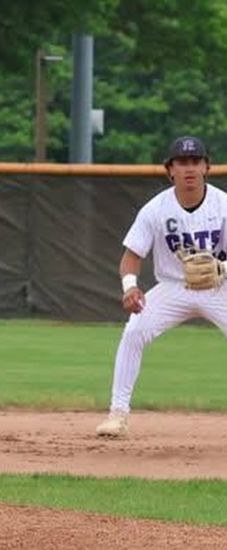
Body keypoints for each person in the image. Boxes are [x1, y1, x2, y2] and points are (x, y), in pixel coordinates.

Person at [96, 135, 227, 437]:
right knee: (134, 331)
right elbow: (131, 258)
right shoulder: (155, 209)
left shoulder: (222, 206)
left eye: (196, 162)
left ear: (207, 167)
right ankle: (117, 414)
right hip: (173, 287)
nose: (189, 168)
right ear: (170, 170)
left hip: (219, 287)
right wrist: (130, 287)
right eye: (182, 162)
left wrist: (222, 267)